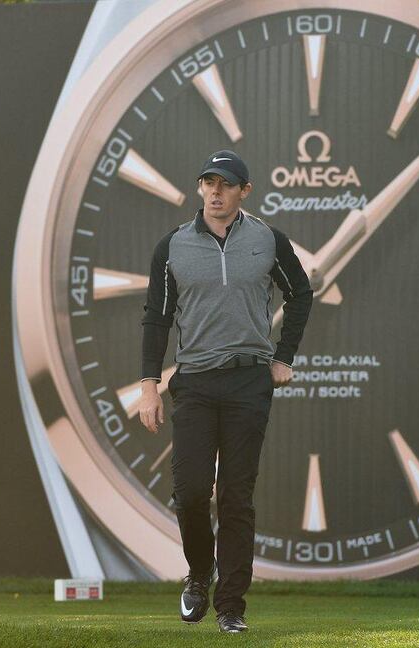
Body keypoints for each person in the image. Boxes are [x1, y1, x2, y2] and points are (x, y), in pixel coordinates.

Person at [137, 150, 313, 633]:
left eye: (226, 183)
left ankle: (231, 607)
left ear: (244, 191)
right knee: (191, 492)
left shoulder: (267, 240)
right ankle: (199, 573)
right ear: (200, 189)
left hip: (248, 382)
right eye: (208, 183)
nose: (215, 192)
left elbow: (301, 293)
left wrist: (283, 357)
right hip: (193, 382)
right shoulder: (172, 246)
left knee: (236, 496)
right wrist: (150, 385)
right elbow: (157, 318)